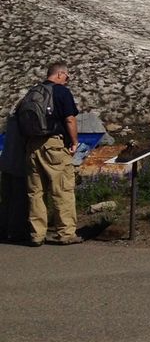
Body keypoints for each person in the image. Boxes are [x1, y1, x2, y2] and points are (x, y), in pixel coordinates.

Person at [24, 61, 81, 246]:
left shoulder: (33, 92)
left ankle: (36, 234)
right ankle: (65, 232)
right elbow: (70, 119)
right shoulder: (61, 92)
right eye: (67, 76)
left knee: (36, 191)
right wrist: (74, 142)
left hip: (32, 145)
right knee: (62, 188)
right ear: (58, 74)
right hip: (54, 145)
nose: (67, 79)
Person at [0, 109, 30, 242]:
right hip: (19, 163)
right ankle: (16, 231)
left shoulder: (13, 118)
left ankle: (4, 228)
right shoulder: (26, 119)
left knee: (7, 199)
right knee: (19, 199)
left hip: (7, 161)